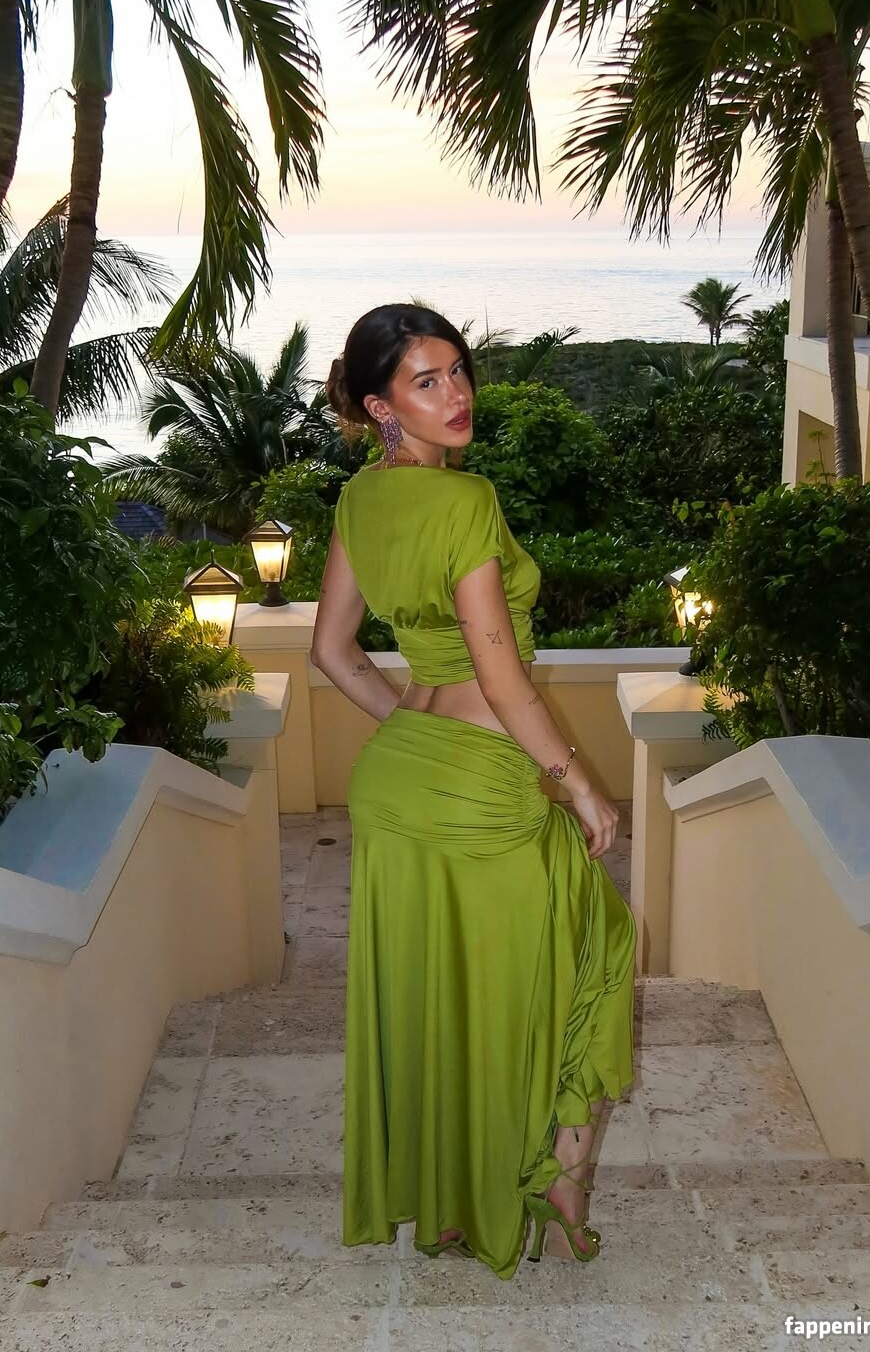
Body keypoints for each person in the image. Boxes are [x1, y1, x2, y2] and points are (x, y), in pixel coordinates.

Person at [311, 303, 637, 1281]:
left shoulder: (359, 500)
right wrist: (581, 788)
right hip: (483, 791)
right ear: (381, 406)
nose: (455, 395)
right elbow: (502, 681)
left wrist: (411, 729)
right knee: (596, 951)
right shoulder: (464, 502)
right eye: (426, 381)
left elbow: (331, 651)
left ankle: (455, 1210)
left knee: (442, 994)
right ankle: (558, 1177)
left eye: (457, 372)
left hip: (400, 779)